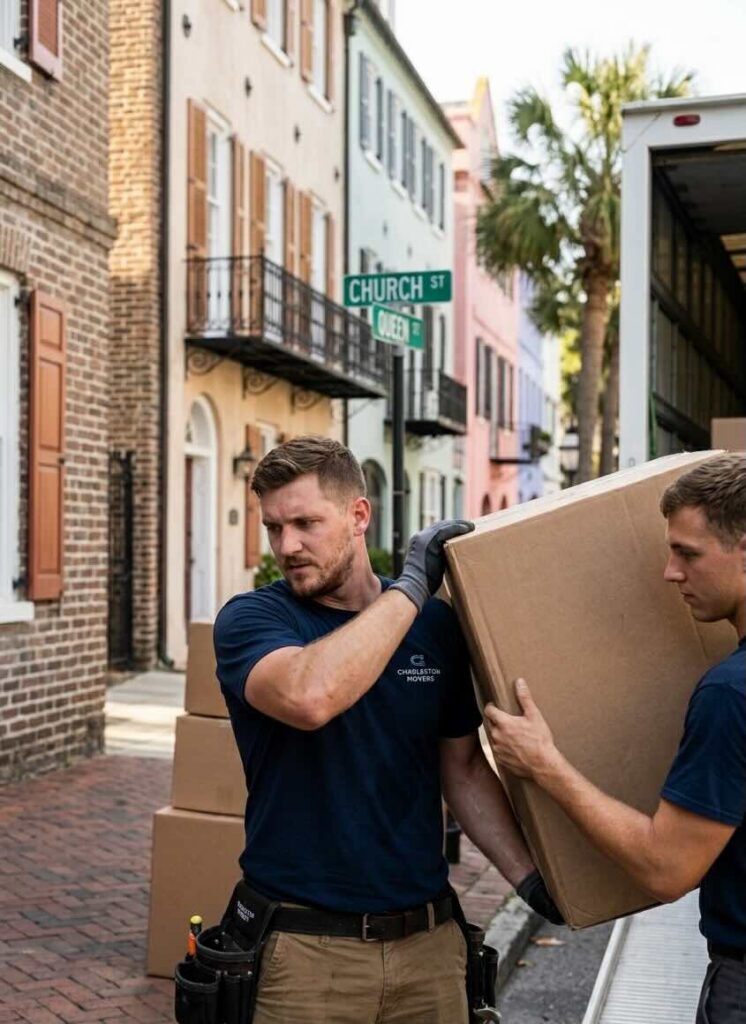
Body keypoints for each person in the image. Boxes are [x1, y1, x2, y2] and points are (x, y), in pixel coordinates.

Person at [213, 435, 561, 1024]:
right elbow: (310, 694)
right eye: (273, 527)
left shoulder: (435, 627)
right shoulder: (254, 620)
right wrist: (410, 590)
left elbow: (466, 769)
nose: (287, 546)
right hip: (304, 953)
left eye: (305, 523)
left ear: (358, 516)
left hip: (429, 948)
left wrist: (531, 880)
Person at [484, 452, 746, 1024]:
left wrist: (545, 764)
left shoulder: (731, 693)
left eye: (687, 553)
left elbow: (666, 869)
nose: (670, 572)